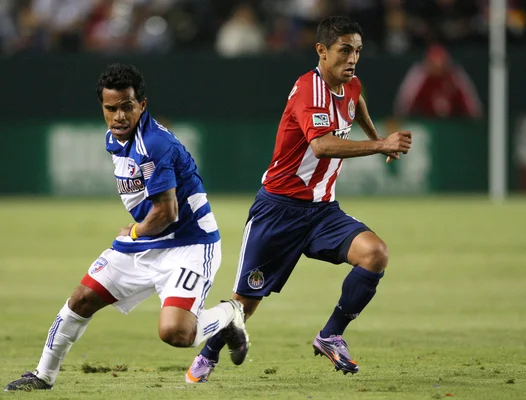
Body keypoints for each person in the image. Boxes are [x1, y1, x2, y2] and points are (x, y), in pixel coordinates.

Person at [184, 16, 412, 383]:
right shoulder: (309, 90)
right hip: (279, 210)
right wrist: (381, 144)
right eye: (344, 50)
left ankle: (331, 335)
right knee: (245, 304)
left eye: (358, 51)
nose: (352, 59)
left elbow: (358, 103)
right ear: (321, 51)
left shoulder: (349, 85)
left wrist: (376, 133)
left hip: (323, 211)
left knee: (375, 254)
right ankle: (208, 355)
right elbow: (320, 146)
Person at [4, 63, 249, 391]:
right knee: (81, 299)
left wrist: (133, 232)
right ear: (102, 108)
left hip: (189, 245)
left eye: (127, 107)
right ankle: (43, 376)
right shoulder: (115, 138)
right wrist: (137, 235)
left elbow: (166, 212)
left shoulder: (154, 145)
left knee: (176, 333)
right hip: (146, 241)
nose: (119, 116)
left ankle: (229, 315)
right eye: (111, 108)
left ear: (142, 105)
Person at [392, 44, 482, 119]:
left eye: (441, 63)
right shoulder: (419, 74)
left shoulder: (455, 75)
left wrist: (475, 119)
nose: (438, 68)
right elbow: (404, 104)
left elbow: (472, 105)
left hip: (454, 123)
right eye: (434, 64)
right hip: (427, 122)